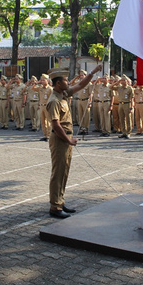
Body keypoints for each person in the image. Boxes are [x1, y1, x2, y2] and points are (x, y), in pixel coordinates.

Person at [47, 64, 103, 218]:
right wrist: (68, 140)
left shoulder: (63, 94)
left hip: (65, 138)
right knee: (58, 173)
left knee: (64, 171)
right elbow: (56, 125)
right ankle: (55, 207)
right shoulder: (54, 100)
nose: (68, 82)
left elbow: (80, 85)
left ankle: (60, 201)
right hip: (60, 139)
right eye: (65, 80)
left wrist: (92, 72)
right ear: (58, 83)